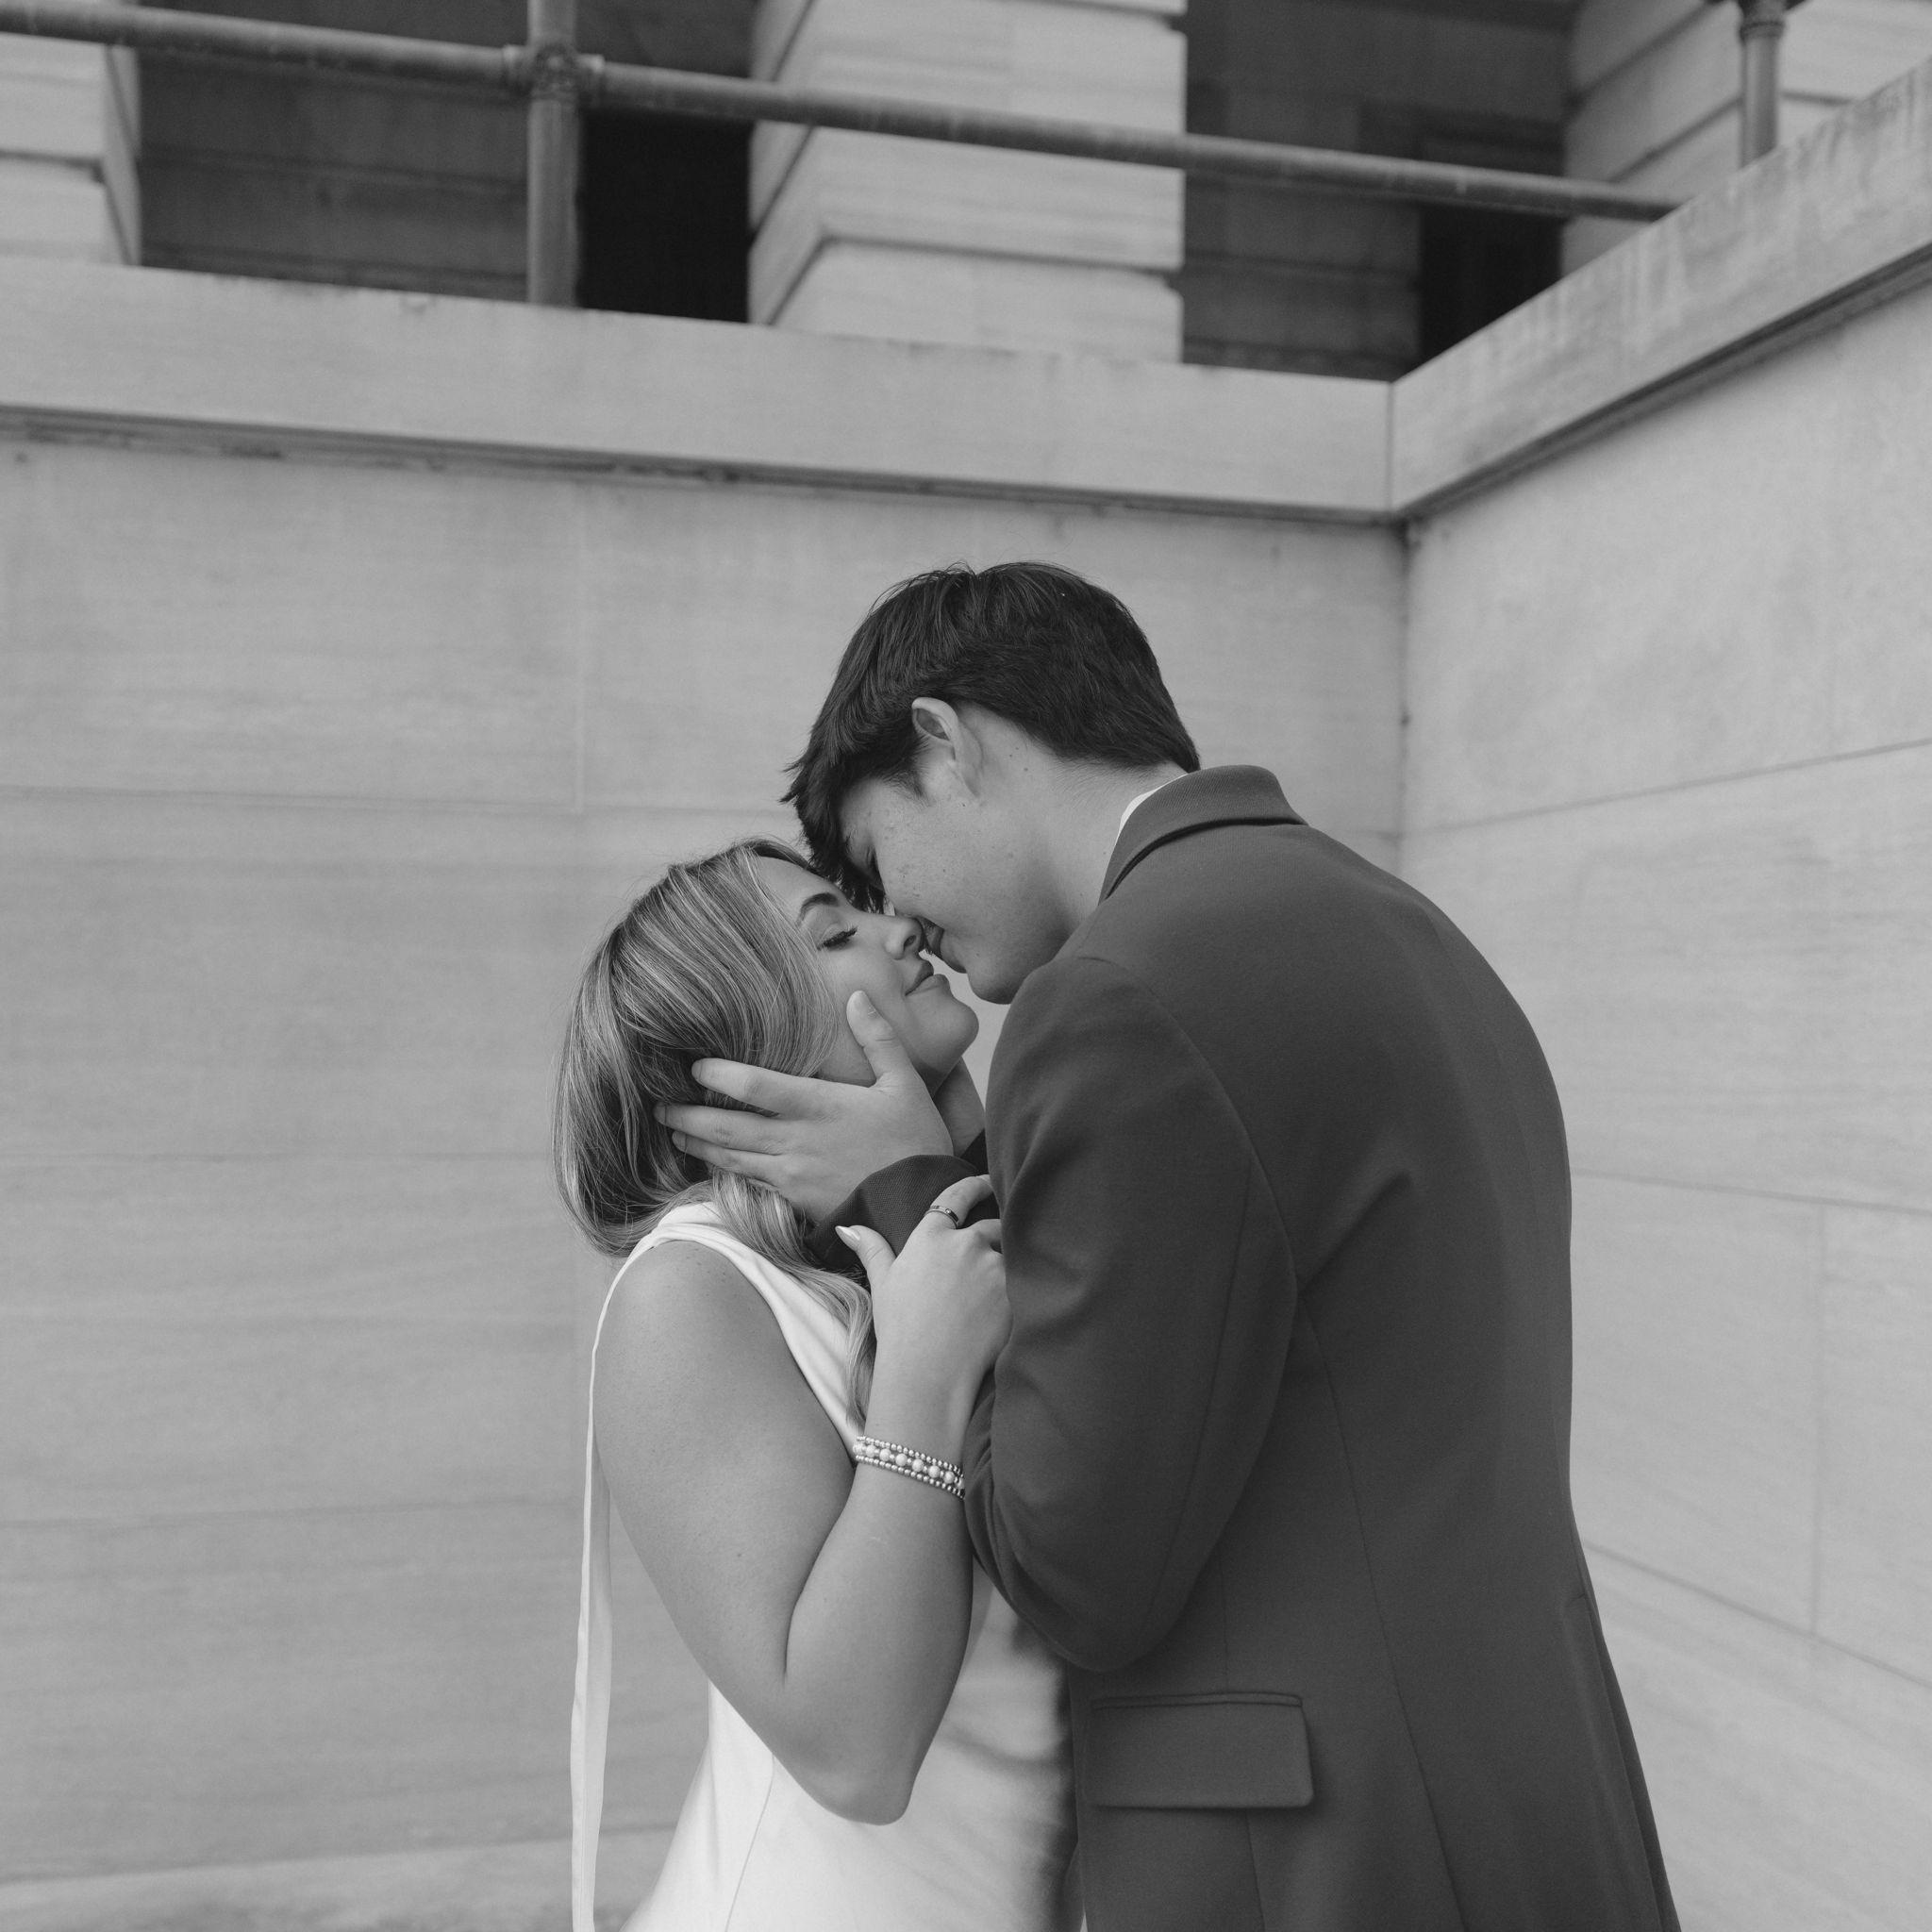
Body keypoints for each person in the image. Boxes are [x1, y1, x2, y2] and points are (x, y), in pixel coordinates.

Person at [659, 562, 1682, 1932]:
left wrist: (914, 1198)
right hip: (1523, 1791)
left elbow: (1077, 1575)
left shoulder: (1118, 997)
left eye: (872, 858)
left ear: (946, 742)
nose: (902, 923)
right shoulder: (1407, 932)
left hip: (1322, 1856)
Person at [557, 838, 1079, 1932]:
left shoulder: (949, 1238)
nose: (902, 929)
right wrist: (923, 1375)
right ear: (749, 1048)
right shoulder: (690, 1291)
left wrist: (943, 1169)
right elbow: (853, 1752)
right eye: (835, 932)